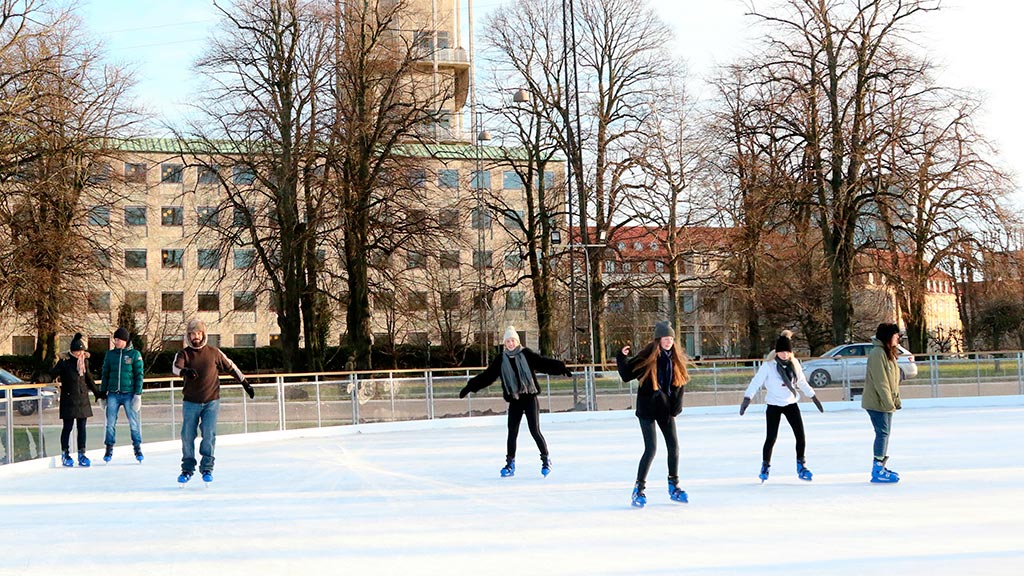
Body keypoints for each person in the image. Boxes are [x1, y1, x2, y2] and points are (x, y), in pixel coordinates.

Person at [459, 326, 571, 478]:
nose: (510, 343)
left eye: (513, 340)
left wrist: (561, 368)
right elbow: (488, 376)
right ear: (504, 343)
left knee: (534, 430)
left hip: (529, 397)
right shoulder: (501, 359)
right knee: (512, 432)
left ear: (517, 341)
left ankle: (546, 460)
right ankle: (510, 464)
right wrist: (470, 386)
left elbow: (542, 363)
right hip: (515, 399)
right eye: (508, 341)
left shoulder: (526, 354)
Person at [616, 321, 690, 508]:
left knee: (674, 447)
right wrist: (621, 357)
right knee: (651, 449)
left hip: (665, 410)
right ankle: (638, 489)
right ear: (658, 340)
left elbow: (680, 384)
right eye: (666, 339)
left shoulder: (675, 360)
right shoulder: (648, 357)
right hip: (647, 410)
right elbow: (626, 375)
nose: (669, 342)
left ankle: (674, 485)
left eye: (671, 339)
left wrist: (676, 408)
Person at [172, 318, 252, 484]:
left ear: (203, 334)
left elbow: (231, 367)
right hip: (190, 402)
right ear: (188, 335)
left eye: (198, 333)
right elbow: (175, 368)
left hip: (211, 402)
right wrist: (185, 371)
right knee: (187, 435)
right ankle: (187, 468)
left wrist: (245, 383)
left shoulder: (214, 352)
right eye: (192, 333)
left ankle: (207, 467)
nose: (196, 336)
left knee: (208, 434)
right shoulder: (184, 353)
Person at [740, 330, 824, 482]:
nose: (784, 355)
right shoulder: (769, 366)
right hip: (773, 405)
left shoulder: (794, 364)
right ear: (776, 352)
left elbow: (801, 382)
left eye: (787, 352)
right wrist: (747, 398)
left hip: (791, 404)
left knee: (800, 436)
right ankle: (765, 466)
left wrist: (813, 396)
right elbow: (756, 382)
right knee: (771, 437)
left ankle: (801, 465)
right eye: (781, 352)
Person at [50, 333, 103, 467]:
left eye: (82, 351)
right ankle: (65, 453)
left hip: (82, 399)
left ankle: (82, 453)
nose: (80, 354)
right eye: (78, 351)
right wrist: (40, 378)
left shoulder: (84, 362)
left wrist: (98, 392)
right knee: (67, 427)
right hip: (69, 399)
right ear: (73, 351)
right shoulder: (64, 362)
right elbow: (52, 374)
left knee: (82, 428)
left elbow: (88, 379)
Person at [863, 322, 902, 483]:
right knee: (882, 433)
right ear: (888, 336)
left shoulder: (888, 353)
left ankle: (880, 466)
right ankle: (877, 469)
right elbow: (881, 382)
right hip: (877, 402)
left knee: (884, 433)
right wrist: (888, 402)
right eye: (895, 335)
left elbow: (893, 380)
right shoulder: (877, 354)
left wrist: (895, 399)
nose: (898, 338)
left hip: (884, 401)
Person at [100, 326, 144, 463]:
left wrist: (138, 394)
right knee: (110, 422)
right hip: (113, 393)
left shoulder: (134, 355)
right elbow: (105, 374)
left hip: (129, 394)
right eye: (115, 339)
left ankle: (137, 447)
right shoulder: (110, 355)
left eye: (118, 339)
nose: (116, 342)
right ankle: (109, 447)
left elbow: (139, 375)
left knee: (133, 422)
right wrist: (103, 394)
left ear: (125, 340)